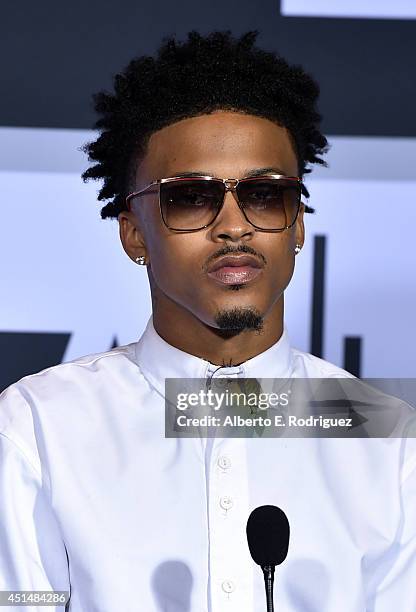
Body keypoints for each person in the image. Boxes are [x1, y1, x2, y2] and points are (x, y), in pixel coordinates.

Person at [0, 30, 415, 612]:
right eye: (191, 197)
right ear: (133, 232)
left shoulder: (388, 436)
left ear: (298, 225)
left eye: (265, 195)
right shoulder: (40, 427)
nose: (234, 225)